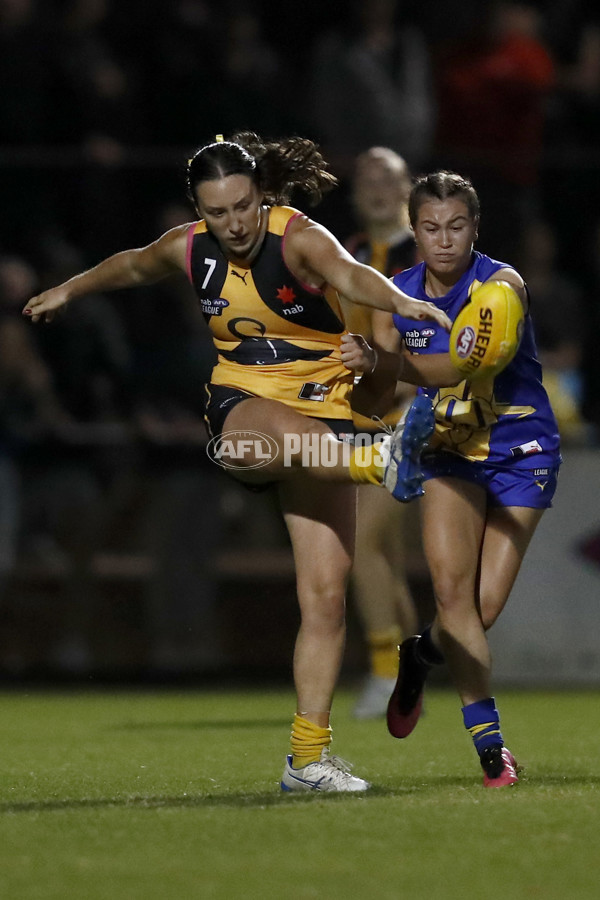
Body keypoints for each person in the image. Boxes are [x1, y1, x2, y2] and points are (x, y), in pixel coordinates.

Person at [23, 132, 450, 793]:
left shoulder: (297, 236)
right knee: (240, 445)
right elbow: (133, 265)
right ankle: (379, 460)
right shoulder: (190, 247)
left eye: (243, 207)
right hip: (248, 406)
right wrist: (69, 290)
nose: (234, 224)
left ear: (261, 195)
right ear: (200, 209)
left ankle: (306, 762)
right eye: (217, 212)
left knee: (327, 600)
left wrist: (403, 303)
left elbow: (351, 273)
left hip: (327, 419)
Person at [341, 170, 561, 787]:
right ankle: (492, 750)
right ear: (414, 230)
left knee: (481, 609)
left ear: (475, 228)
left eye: (457, 226)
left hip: (522, 446)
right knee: (455, 599)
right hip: (448, 453)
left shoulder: (501, 287)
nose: (444, 241)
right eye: (431, 227)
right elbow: (381, 390)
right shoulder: (397, 294)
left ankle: (418, 654)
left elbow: (460, 363)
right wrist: (360, 369)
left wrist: (386, 359)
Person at [342, 147, 420, 718]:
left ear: (407, 188)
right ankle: (410, 678)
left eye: (387, 177)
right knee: (385, 555)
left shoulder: (424, 251)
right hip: (366, 418)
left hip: (417, 415)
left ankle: (385, 670)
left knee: (361, 541)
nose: (376, 187)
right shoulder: (345, 256)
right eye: (366, 177)